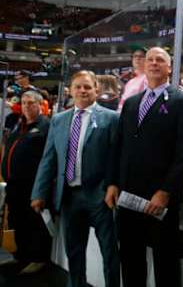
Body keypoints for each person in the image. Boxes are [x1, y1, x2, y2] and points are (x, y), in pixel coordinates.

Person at [105, 47, 183, 287]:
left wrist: (166, 191)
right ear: (144, 66)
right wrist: (113, 183)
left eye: (160, 60)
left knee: (165, 260)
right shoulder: (131, 103)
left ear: (169, 67)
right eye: (150, 60)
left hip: (160, 198)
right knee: (131, 257)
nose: (154, 63)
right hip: (127, 195)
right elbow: (119, 146)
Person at [31, 70, 120, 287]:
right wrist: (38, 192)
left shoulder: (112, 119)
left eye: (87, 87)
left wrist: (113, 185)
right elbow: (48, 159)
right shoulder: (59, 120)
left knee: (109, 252)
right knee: (74, 252)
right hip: (70, 195)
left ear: (96, 90)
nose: (82, 90)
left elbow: (117, 157)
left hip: (100, 196)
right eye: (78, 86)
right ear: (70, 90)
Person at [1, 91, 50, 274]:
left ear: (40, 105)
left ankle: (38, 258)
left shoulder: (45, 126)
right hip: (14, 185)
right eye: (24, 103)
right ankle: (21, 255)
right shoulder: (19, 124)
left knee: (34, 222)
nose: (27, 107)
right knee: (17, 219)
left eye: (31, 103)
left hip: (32, 185)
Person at [118, 46, 148, 112]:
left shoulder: (148, 78)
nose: (137, 58)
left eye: (141, 56)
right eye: (135, 56)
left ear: (147, 59)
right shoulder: (130, 82)